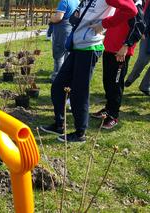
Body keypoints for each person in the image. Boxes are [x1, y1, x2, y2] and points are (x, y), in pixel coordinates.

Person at [40, 0, 137, 143]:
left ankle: (80, 133)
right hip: (77, 45)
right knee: (58, 86)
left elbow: (131, 10)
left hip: (90, 48)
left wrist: (104, 24)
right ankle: (59, 124)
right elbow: (77, 16)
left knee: (79, 92)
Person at [92, 0, 144, 129]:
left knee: (116, 84)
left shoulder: (135, 3)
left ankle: (113, 115)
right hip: (110, 48)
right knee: (108, 81)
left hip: (120, 52)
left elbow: (139, 26)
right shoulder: (121, 2)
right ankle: (108, 109)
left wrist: (126, 46)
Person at [49, 0, 79, 82]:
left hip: (62, 30)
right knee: (67, 53)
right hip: (71, 29)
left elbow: (58, 17)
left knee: (58, 53)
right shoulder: (77, 1)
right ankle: (66, 75)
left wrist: (51, 18)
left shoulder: (64, 1)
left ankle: (57, 76)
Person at [125, 0, 150, 96]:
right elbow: (146, 15)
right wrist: (144, 31)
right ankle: (131, 79)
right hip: (147, 34)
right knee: (143, 59)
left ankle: (145, 86)